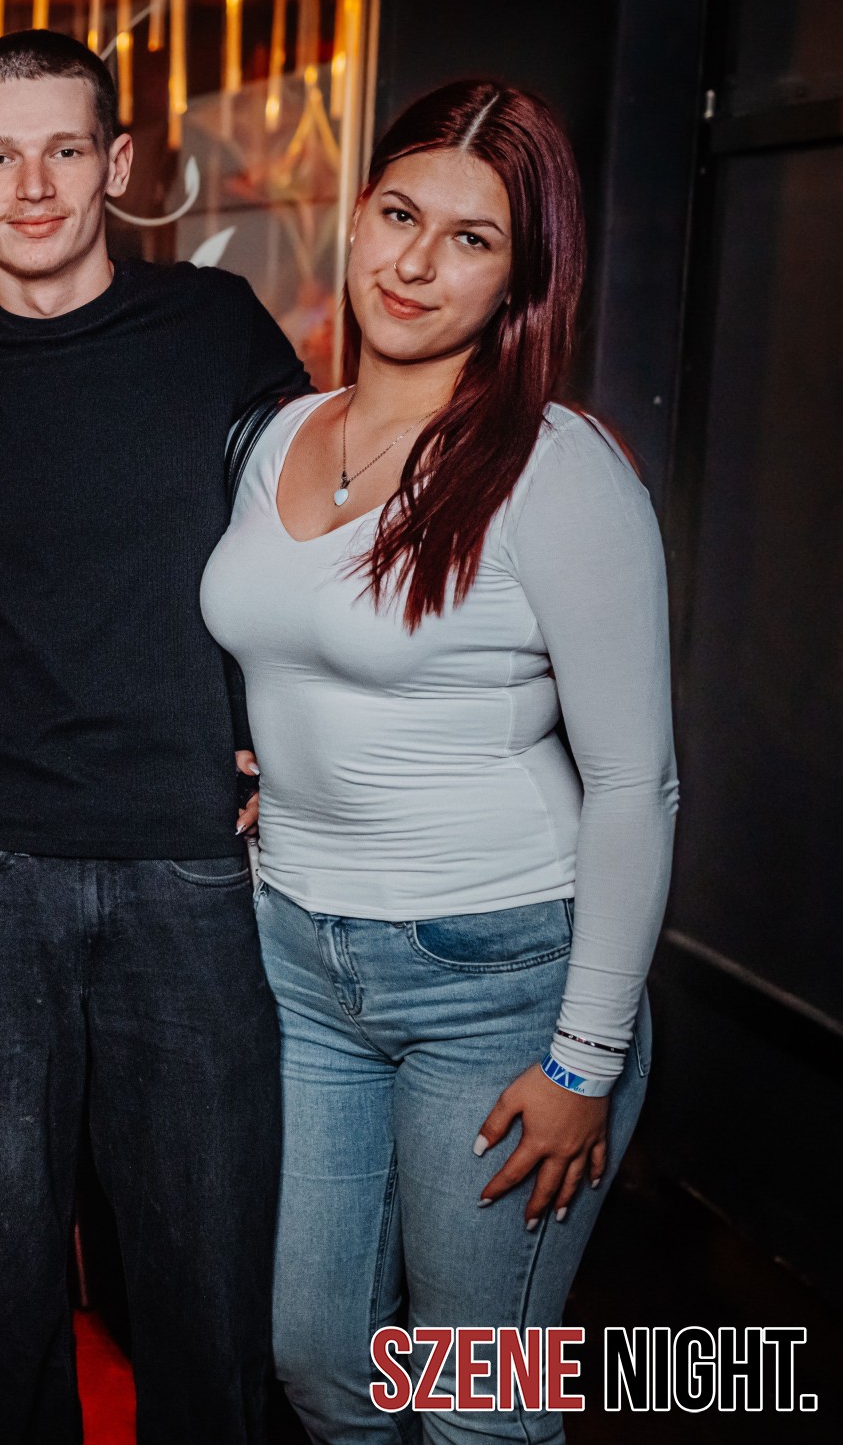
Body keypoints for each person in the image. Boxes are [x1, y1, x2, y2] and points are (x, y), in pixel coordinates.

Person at [201, 81, 673, 1442]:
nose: (415, 264)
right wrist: (264, 767)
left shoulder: (555, 468)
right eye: (400, 216)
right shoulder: (278, 435)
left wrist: (583, 1061)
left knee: (477, 1407)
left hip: (500, 973)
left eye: (471, 239)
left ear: (521, 276)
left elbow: (636, 783)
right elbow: (286, 648)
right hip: (296, 955)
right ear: (356, 219)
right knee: (319, 1367)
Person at [0, 30, 309, 1443]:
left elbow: (311, 539)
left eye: (64, 149)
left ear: (116, 162)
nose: (34, 185)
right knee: (9, 1282)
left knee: (204, 1273)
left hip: (189, 854)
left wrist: (279, 735)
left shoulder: (213, 326)